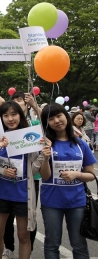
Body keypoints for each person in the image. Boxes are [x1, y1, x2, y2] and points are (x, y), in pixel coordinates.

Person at [39, 103, 96, 259]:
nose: (57, 121)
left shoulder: (81, 144)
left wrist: (76, 174)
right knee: (52, 243)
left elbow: (91, 174)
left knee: (79, 244)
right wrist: (45, 158)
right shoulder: (45, 144)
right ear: (47, 123)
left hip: (77, 201)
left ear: (66, 116)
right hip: (51, 202)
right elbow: (44, 176)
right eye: (51, 119)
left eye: (59, 116)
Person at [0, 101, 45, 259]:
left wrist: (43, 156)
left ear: (21, 116)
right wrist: (2, 170)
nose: (10, 118)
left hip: (23, 195)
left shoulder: (29, 137)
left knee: (23, 236)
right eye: (5, 115)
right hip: (1, 194)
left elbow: (33, 170)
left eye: (14, 114)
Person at [3, 91, 42, 258]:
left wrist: (35, 106)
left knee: (28, 217)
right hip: (8, 179)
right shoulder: (5, 128)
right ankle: (8, 247)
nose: (18, 103)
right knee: (7, 217)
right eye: (14, 101)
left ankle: (28, 248)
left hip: (31, 179)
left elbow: (46, 124)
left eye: (20, 101)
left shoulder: (33, 124)